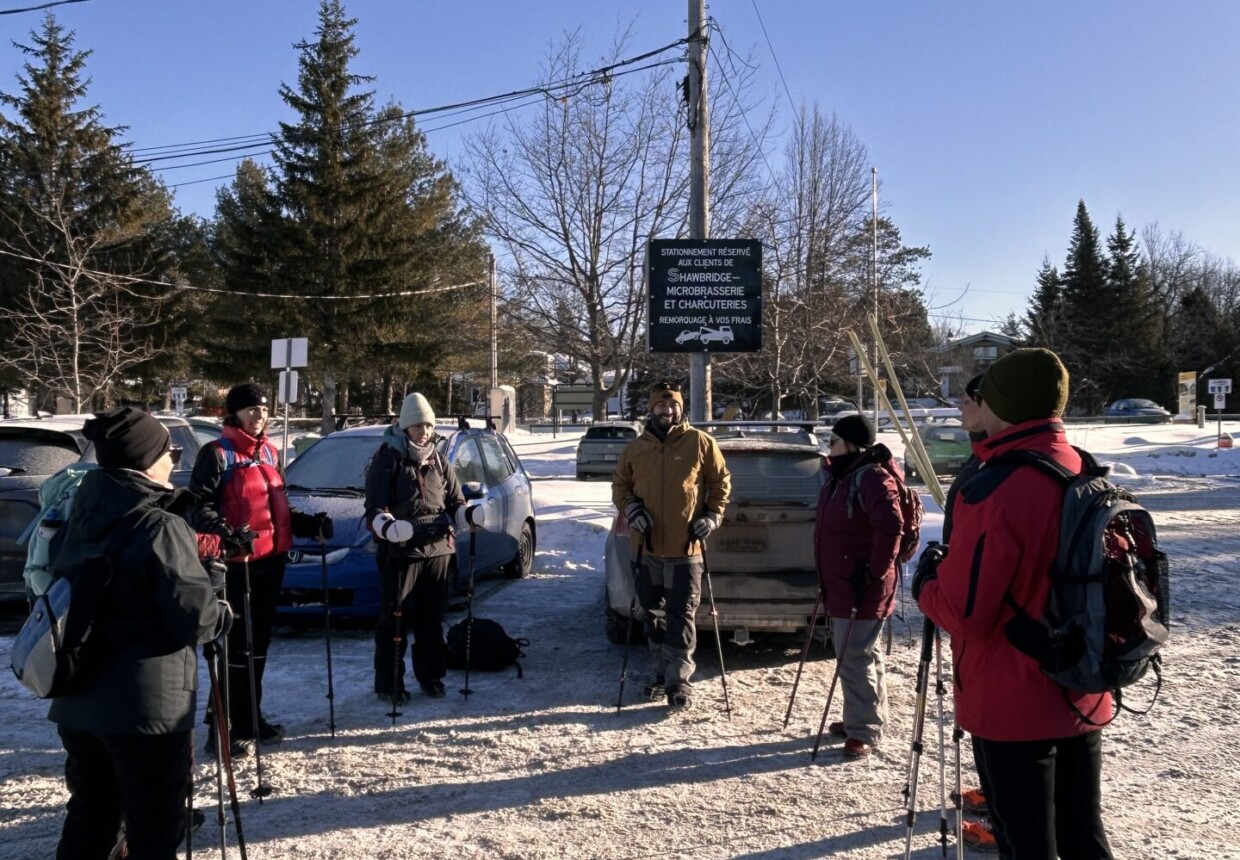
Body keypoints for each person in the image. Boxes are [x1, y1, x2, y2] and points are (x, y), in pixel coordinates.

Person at [914, 348, 1114, 858]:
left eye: (982, 394)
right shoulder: (1077, 465)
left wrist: (925, 584)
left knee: (1026, 843)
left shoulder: (999, 487)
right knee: (1083, 836)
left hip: (1011, 697)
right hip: (1080, 681)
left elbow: (966, 613)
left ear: (1003, 403)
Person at [49, 406, 228, 860]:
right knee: (154, 829)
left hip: (79, 697)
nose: (174, 458)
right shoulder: (159, 526)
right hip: (146, 709)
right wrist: (218, 595)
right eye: (168, 450)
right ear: (147, 461)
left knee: (90, 817)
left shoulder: (80, 515)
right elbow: (197, 620)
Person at [189, 383, 331, 754]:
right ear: (233, 414)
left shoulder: (269, 451)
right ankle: (222, 730)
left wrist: (306, 524)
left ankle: (250, 717)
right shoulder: (216, 453)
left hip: (271, 560)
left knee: (259, 644)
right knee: (235, 647)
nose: (260, 414)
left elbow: (275, 508)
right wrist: (225, 533)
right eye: (251, 408)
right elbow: (198, 508)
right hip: (236, 564)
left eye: (264, 408)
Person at [611, 380, 731, 709]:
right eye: (662, 406)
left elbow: (722, 483)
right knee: (653, 614)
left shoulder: (701, 442)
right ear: (652, 409)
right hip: (646, 548)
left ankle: (679, 681)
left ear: (681, 408)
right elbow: (619, 485)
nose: (668, 410)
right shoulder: (635, 448)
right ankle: (661, 673)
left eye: (674, 405)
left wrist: (711, 516)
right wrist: (631, 508)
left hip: (686, 549)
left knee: (681, 615)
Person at [365, 392, 466, 701]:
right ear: (404, 426)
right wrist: (388, 526)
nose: (424, 431)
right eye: (417, 425)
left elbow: (456, 500)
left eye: (427, 425)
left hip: (438, 550)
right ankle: (390, 683)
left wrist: (468, 515)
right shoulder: (386, 460)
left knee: (431, 619)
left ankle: (431, 676)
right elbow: (373, 509)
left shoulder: (438, 459)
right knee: (394, 619)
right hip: (400, 552)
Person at [813, 413, 903, 758]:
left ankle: (864, 728)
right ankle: (863, 717)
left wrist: (874, 572)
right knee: (863, 652)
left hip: (862, 584)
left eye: (834, 441)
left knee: (854, 655)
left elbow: (891, 526)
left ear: (851, 444)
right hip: (845, 581)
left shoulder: (870, 478)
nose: (829, 448)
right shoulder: (843, 475)